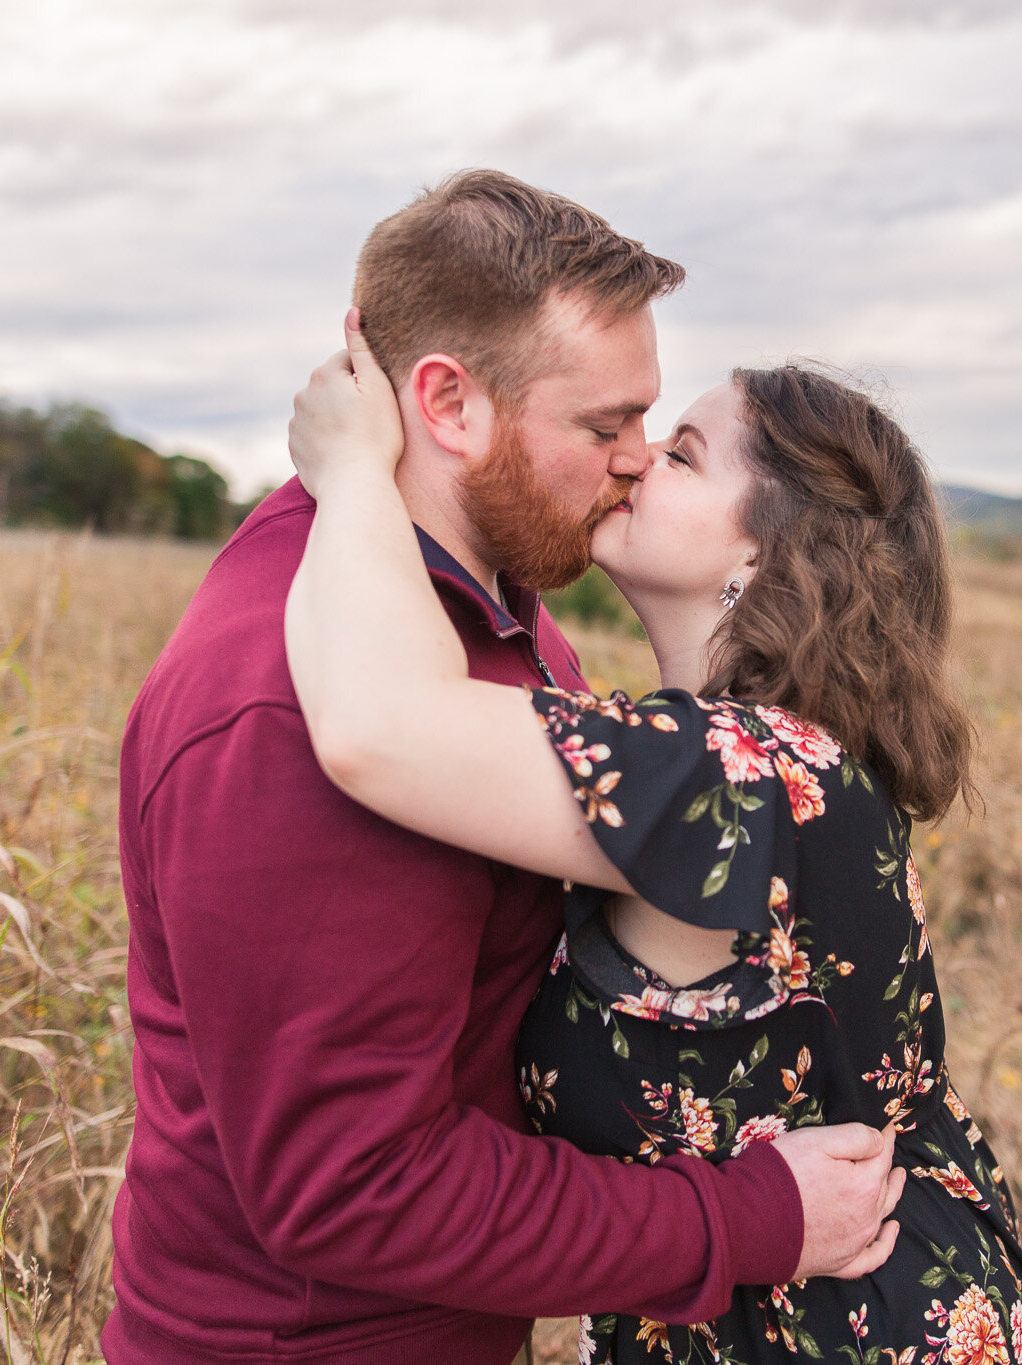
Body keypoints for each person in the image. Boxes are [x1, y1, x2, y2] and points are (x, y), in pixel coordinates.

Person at [106, 170, 902, 1365]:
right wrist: (741, 1217)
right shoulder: (284, 706)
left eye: (657, 430)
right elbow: (350, 1185)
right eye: (604, 426)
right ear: (448, 403)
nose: (634, 460)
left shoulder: (507, 613)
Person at [280, 310, 1022, 1362]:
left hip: (853, 1329)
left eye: (682, 453)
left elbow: (379, 725)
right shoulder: (748, 757)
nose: (636, 458)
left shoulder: (737, 772)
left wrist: (353, 471)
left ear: (765, 549)